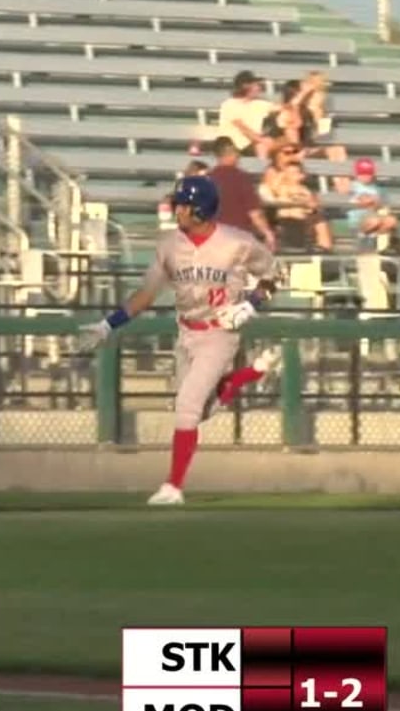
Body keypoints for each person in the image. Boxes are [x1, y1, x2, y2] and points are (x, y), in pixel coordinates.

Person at [76, 176, 282, 507]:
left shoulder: (237, 242)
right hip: (186, 332)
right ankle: (248, 375)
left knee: (186, 408)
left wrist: (250, 305)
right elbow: (146, 295)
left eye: (183, 204)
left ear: (199, 209)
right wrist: (107, 325)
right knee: (199, 412)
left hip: (220, 332)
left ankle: (173, 487)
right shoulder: (169, 244)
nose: (177, 209)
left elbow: (276, 274)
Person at [206, 136, 274, 248]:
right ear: (233, 154)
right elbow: (254, 213)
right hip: (238, 238)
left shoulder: (206, 180)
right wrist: (267, 232)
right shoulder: (241, 178)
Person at [217, 70, 274, 159]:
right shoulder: (229, 105)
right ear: (246, 86)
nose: (259, 88)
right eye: (256, 85)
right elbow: (243, 129)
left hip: (254, 143)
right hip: (235, 146)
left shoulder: (260, 103)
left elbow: (284, 108)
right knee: (261, 146)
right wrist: (262, 140)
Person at [346, 158, 396, 252]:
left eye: (368, 173)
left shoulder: (377, 188)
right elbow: (353, 200)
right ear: (356, 174)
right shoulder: (353, 186)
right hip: (358, 219)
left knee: (391, 220)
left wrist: (375, 202)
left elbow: (384, 203)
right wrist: (367, 200)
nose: (365, 176)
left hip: (374, 215)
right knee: (374, 221)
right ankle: (362, 239)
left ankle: (381, 246)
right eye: (362, 173)